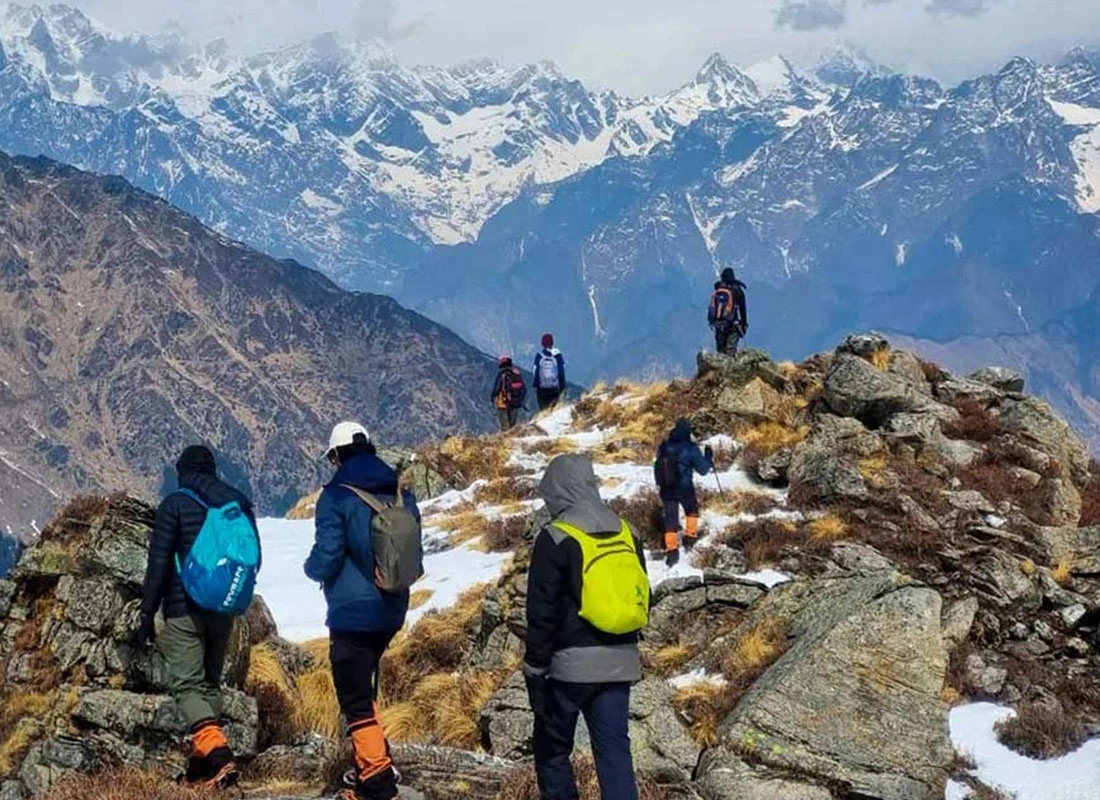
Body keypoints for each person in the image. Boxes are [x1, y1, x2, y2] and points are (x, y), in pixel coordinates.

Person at [524, 453, 649, 800]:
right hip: (621, 662)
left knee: (552, 750)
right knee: (614, 753)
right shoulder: (627, 531)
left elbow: (542, 612)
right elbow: (643, 594)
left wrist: (535, 667)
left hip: (570, 668)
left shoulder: (556, 537)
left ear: (558, 492)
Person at [305, 422, 418, 800]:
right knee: (363, 685)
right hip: (393, 606)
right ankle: (372, 765)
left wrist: (311, 569)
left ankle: (378, 783)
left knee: (353, 697)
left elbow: (328, 555)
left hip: (353, 612)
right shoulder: (400, 492)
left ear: (336, 456)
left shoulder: (336, 497)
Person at [137, 445, 258, 790]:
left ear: (182, 472)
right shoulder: (237, 504)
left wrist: (147, 613)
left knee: (186, 687)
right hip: (224, 610)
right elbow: (251, 558)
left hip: (184, 609)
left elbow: (159, 564)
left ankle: (218, 756)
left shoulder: (174, 504)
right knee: (209, 686)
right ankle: (201, 772)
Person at [654, 419, 715, 566]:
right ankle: (690, 537)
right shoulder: (690, 448)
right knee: (691, 509)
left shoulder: (664, 446)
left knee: (670, 518)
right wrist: (708, 455)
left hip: (666, 487)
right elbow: (703, 470)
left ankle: (672, 550)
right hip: (684, 487)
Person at [708, 267, 748, 356]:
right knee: (730, 350)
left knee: (720, 351)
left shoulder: (718, 291)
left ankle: (719, 368)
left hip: (718, 325)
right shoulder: (738, 291)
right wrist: (744, 324)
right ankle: (730, 368)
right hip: (733, 325)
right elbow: (742, 309)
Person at [492, 356, 527, 431]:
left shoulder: (502, 374)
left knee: (505, 427)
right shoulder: (517, 373)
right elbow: (524, 389)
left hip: (503, 403)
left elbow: (496, 389)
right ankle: (513, 439)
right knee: (512, 427)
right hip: (515, 403)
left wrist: (493, 398)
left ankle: (506, 441)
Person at [533, 333, 567, 412]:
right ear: (552, 342)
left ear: (542, 343)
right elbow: (561, 372)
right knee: (554, 411)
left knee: (544, 411)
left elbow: (535, 371)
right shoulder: (558, 356)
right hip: (555, 388)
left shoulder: (539, 356)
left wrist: (536, 385)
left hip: (542, 389)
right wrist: (562, 385)